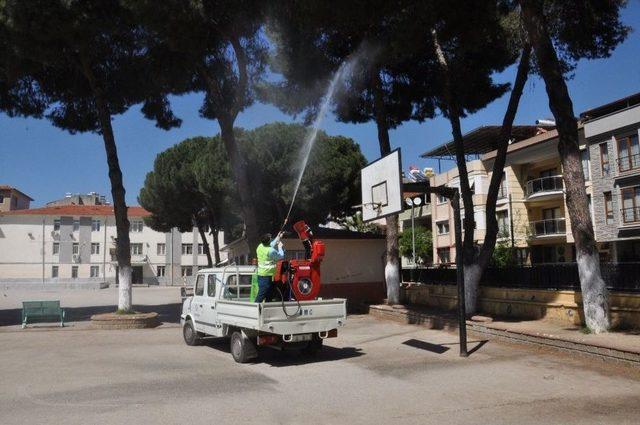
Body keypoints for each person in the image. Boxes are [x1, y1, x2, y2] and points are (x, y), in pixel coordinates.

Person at [255, 231, 285, 303]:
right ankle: (254, 309)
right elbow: (281, 256)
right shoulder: (271, 251)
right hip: (266, 276)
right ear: (268, 241)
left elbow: (271, 244)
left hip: (261, 275)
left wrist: (278, 237)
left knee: (269, 294)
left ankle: (266, 308)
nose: (271, 239)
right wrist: (280, 247)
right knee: (261, 295)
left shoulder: (260, 246)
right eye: (270, 239)